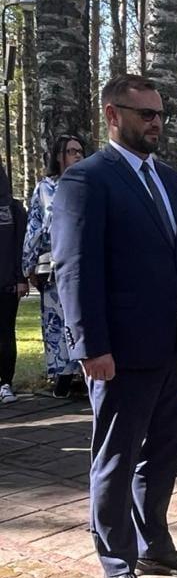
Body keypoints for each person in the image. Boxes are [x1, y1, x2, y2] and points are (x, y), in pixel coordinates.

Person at [51, 74, 177, 578]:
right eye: (145, 113)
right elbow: (75, 269)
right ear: (112, 115)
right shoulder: (86, 180)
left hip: (174, 345)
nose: (156, 123)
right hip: (120, 351)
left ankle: (155, 546)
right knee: (117, 458)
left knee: (163, 454)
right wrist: (90, 345)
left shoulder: (171, 180)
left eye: (161, 114)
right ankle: (117, 563)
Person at [22, 133, 87, 398]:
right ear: (59, 156)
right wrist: (27, 265)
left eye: (80, 151)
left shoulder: (90, 183)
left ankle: (84, 373)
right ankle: (63, 375)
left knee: (83, 318)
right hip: (53, 266)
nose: (78, 155)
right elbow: (34, 227)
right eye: (72, 151)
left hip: (85, 262)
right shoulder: (44, 188)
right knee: (56, 321)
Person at [0, 162, 27, 405]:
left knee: (6, 334)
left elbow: (22, 245)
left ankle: (5, 382)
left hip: (7, 284)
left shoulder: (13, 207)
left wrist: (21, 278)